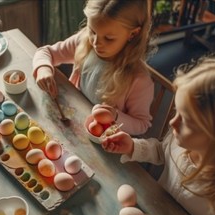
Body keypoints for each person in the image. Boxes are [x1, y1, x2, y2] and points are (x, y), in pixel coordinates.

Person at [101, 56, 215, 215]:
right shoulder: (180, 141)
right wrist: (132, 146)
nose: (172, 123)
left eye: (187, 121)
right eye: (177, 112)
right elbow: (162, 151)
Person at [32, 0, 155, 136]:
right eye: (92, 31)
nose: (96, 43)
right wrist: (43, 68)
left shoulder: (139, 80)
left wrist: (115, 116)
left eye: (108, 38)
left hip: (105, 139)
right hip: (75, 119)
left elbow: (142, 125)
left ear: (133, 34)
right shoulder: (84, 41)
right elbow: (46, 52)